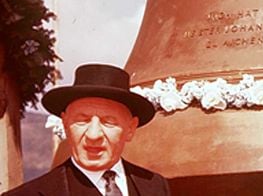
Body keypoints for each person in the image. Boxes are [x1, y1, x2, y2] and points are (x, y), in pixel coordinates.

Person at [3, 64, 170, 196]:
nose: (93, 135)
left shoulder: (154, 186)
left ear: (130, 129)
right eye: (82, 120)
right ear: (65, 124)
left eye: (108, 122)